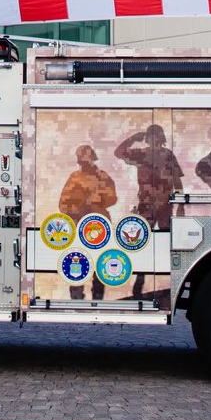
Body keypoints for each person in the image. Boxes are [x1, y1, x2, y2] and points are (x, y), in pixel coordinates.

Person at [115, 125, 184, 298]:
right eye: (150, 136)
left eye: (156, 136)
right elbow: (119, 152)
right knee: (141, 242)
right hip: (146, 205)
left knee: (166, 242)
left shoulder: (168, 155)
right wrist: (134, 137)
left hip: (165, 205)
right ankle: (139, 282)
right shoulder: (140, 154)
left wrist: (181, 203)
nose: (153, 139)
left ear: (161, 137)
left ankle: (168, 282)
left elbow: (176, 179)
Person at [59, 144, 117, 299]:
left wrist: (96, 200)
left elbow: (112, 198)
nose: (85, 162)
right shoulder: (74, 177)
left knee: (99, 263)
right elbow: (63, 204)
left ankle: (98, 297)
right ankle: (76, 297)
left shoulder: (103, 177)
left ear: (93, 158)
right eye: (82, 160)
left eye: (87, 159)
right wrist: (77, 209)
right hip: (79, 226)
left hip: (99, 226)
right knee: (77, 260)